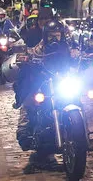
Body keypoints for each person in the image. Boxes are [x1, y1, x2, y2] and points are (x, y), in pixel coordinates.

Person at [16, 20, 70, 171]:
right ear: (46, 36)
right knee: (30, 102)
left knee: (78, 100)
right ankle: (25, 134)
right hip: (45, 83)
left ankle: (82, 136)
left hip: (62, 82)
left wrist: (87, 56)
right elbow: (29, 54)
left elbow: (78, 56)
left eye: (57, 36)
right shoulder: (40, 48)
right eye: (51, 36)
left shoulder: (68, 47)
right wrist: (25, 58)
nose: (54, 39)